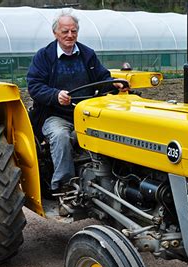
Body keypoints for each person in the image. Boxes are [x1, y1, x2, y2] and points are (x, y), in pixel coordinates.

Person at [27, 11, 125, 194]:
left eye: (73, 31)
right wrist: (55, 95)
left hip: (86, 114)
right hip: (56, 115)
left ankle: (114, 180)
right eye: (65, 31)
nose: (70, 35)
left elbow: (102, 78)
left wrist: (114, 83)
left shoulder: (87, 55)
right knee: (61, 136)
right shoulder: (44, 56)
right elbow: (34, 86)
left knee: (114, 133)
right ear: (55, 33)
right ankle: (64, 186)